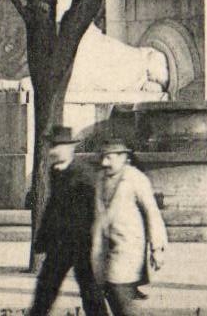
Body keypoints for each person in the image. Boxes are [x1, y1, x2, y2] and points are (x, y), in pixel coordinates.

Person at [28, 125, 104, 316]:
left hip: (81, 244)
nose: (53, 150)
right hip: (60, 244)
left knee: (90, 293)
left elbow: (94, 210)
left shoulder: (84, 174)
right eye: (52, 146)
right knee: (44, 291)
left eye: (57, 146)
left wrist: (94, 242)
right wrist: (43, 239)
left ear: (70, 148)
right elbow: (53, 207)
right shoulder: (56, 171)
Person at [91, 132, 168, 312]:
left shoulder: (135, 178)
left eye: (109, 158)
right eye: (103, 157)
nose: (104, 163)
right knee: (112, 295)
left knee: (120, 296)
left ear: (122, 157)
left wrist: (157, 248)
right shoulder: (100, 179)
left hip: (128, 249)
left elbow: (152, 213)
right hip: (103, 251)